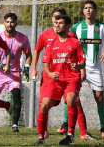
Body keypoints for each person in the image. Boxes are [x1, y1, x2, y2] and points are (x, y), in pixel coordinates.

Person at [33, 15, 86, 145]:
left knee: (70, 100)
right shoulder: (51, 44)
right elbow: (45, 64)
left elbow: (83, 61)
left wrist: (79, 66)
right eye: (56, 23)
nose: (57, 25)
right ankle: (41, 137)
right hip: (56, 81)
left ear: (68, 26)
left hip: (72, 78)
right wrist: (50, 74)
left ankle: (70, 134)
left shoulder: (75, 42)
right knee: (44, 105)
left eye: (61, 23)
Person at [69, 0, 104, 138]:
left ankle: (103, 128)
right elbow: (69, 42)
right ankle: (66, 125)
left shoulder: (102, 27)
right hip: (79, 67)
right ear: (83, 11)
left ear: (95, 10)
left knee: (99, 98)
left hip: (95, 68)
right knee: (71, 95)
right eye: (85, 8)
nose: (88, 10)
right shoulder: (77, 27)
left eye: (90, 8)